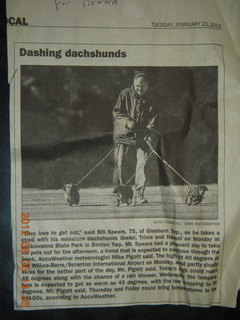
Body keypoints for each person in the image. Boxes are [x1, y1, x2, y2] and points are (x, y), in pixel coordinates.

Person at [113, 71, 158, 204]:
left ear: (148, 86)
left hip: (143, 136)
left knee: (142, 164)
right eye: (137, 86)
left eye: (143, 87)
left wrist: (150, 131)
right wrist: (127, 122)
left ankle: (139, 195)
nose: (140, 89)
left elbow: (155, 117)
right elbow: (117, 112)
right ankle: (125, 193)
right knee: (122, 163)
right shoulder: (124, 94)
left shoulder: (153, 98)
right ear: (133, 83)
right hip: (125, 135)